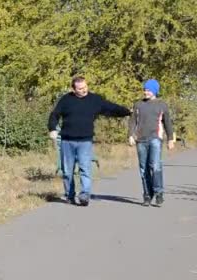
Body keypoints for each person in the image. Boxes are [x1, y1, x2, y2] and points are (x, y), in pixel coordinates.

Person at [48, 76, 131, 206]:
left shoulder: (95, 100)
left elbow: (110, 107)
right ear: (74, 89)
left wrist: (127, 112)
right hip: (67, 141)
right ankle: (70, 195)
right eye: (80, 88)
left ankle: (85, 194)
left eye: (85, 87)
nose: (84, 90)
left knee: (85, 169)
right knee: (67, 171)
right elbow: (54, 114)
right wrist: (52, 128)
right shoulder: (66, 100)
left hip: (85, 141)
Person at [128, 79, 175, 207]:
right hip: (140, 139)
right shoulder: (138, 104)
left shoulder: (162, 105)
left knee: (155, 166)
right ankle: (147, 195)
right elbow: (132, 121)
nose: (145, 92)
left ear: (154, 91)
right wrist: (130, 135)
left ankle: (159, 193)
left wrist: (170, 138)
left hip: (155, 138)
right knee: (144, 169)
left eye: (148, 90)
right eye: (144, 89)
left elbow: (167, 122)